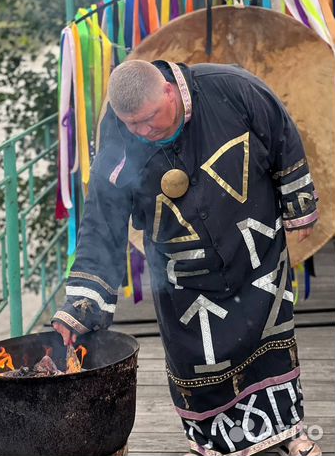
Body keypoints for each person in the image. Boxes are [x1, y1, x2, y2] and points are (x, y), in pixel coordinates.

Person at [52, 60, 320, 456]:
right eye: (133, 125)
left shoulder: (231, 88)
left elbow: (282, 135)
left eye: (149, 119)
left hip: (252, 252)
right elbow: (103, 216)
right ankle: (214, 444)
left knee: (271, 345)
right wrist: (80, 304)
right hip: (181, 269)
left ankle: (287, 432)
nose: (143, 131)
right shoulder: (117, 131)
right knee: (196, 358)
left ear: (168, 91)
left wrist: (297, 202)